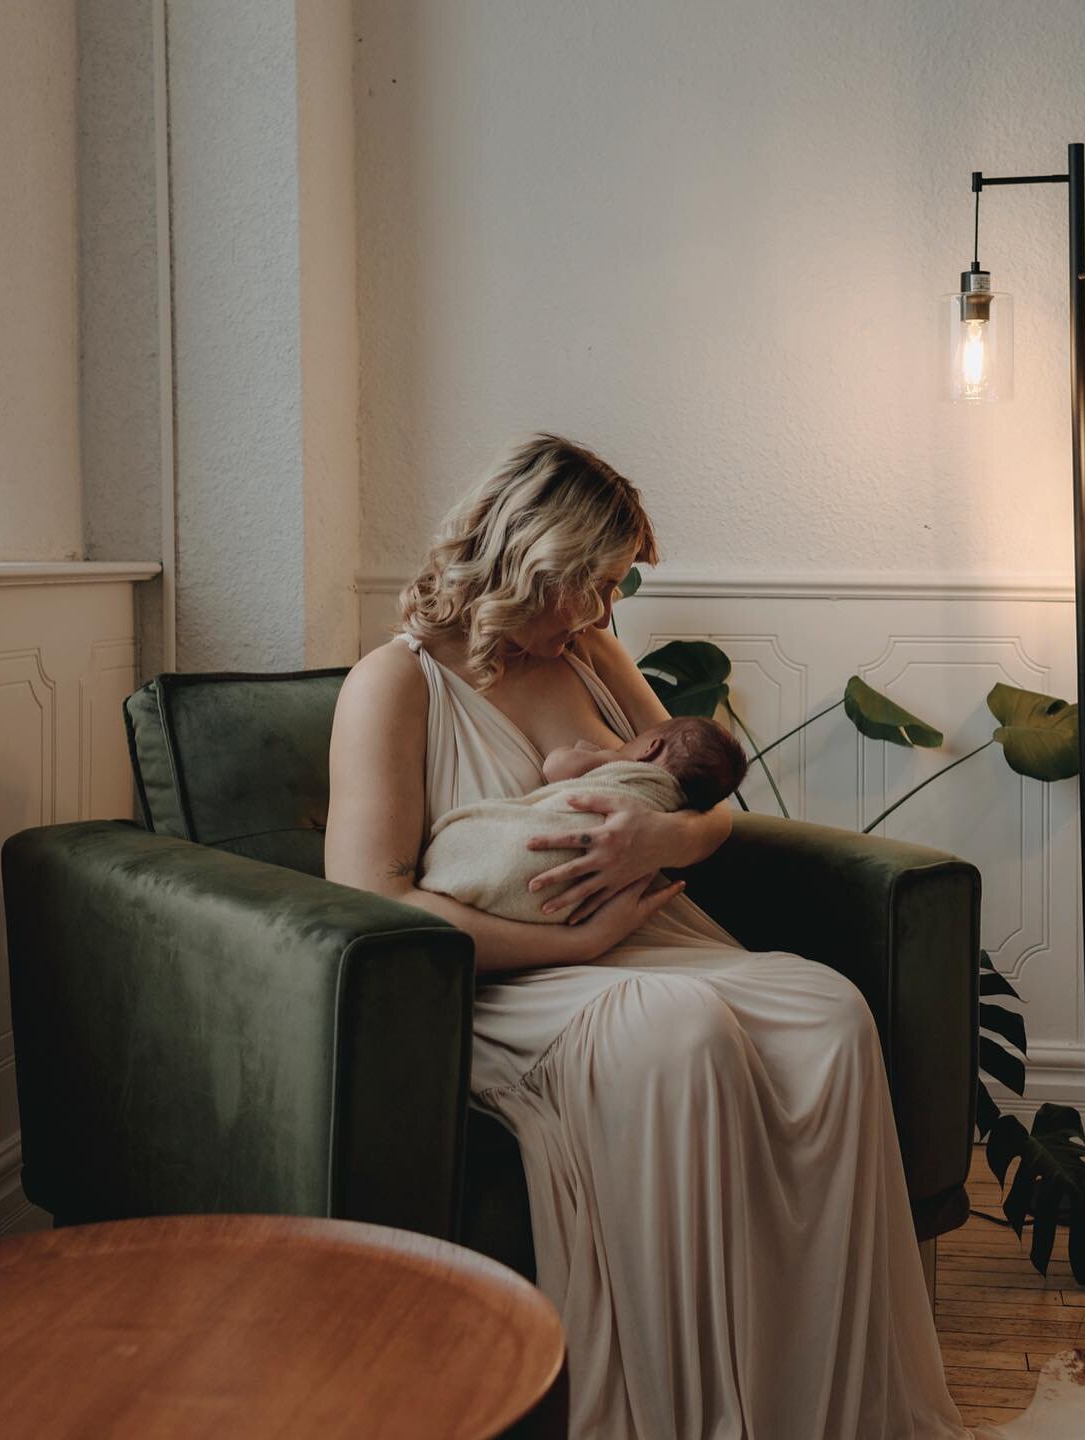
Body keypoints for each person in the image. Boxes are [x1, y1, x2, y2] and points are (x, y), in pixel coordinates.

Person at [325, 434, 970, 1440]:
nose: (606, 610)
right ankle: (693, 1415)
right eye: (596, 584)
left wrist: (656, 835)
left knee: (828, 1012)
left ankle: (825, 1409)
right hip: (514, 980)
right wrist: (574, 949)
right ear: (537, 561)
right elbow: (375, 898)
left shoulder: (590, 653)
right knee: (680, 1033)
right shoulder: (394, 683)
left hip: (658, 939)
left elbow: (713, 799)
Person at [419, 716, 750, 924]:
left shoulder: (620, 763)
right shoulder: (672, 800)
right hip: (578, 913)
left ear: (650, 748)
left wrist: (588, 752)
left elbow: (556, 767)